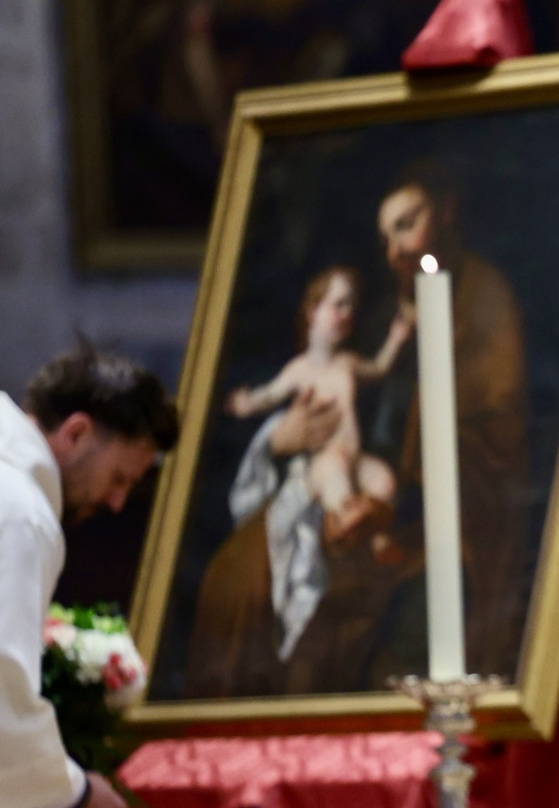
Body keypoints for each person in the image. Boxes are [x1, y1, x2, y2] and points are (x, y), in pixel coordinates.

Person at [184, 160, 529, 696]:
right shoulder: (379, 316)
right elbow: (294, 405)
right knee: (236, 574)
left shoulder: (484, 304)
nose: (397, 250)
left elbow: (493, 443)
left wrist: (400, 496)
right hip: (339, 492)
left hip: (435, 516)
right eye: (386, 237)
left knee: (395, 597)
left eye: (408, 224)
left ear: (447, 211)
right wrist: (280, 438)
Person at [0, 343, 178, 808]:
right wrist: (70, 790)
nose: (114, 503)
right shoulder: (20, 512)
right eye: (121, 478)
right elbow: (2, 692)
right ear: (76, 432)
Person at [224, 265, 409, 546]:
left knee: (384, 482)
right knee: (337, 482)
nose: (346, 314)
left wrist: (395, 339)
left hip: (354, 457)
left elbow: (379, 369)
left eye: (350, 307)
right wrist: (248, 404)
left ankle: (379, 541)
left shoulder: (347, 362)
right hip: (325, 462)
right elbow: (271, 394)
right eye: (338, 304)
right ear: (312, 312)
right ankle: (347, 532)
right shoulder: (300, 369)